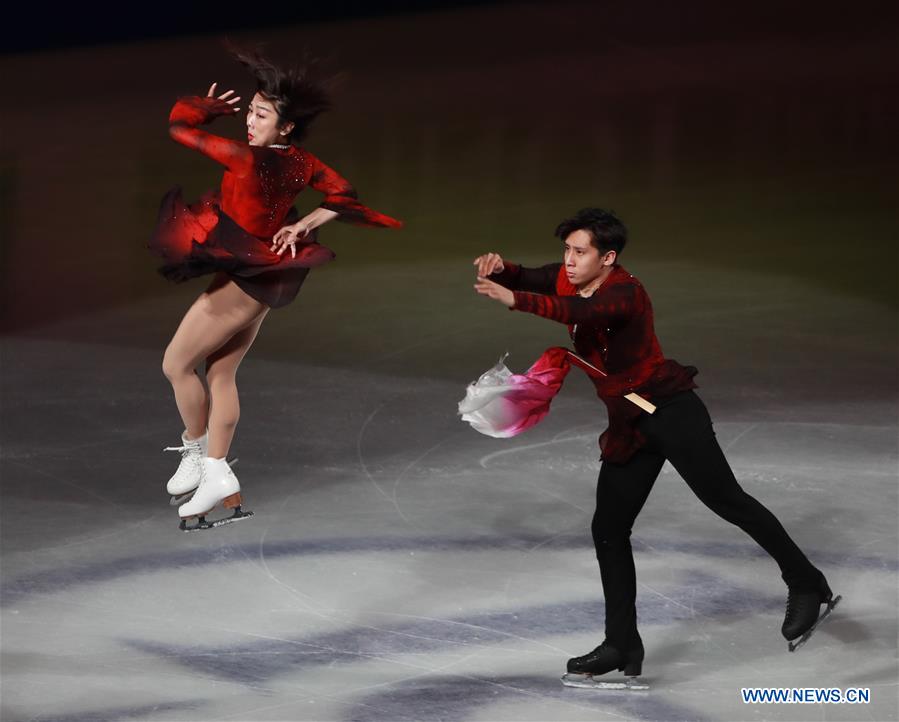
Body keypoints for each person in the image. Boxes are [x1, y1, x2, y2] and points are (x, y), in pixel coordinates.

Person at [472, 207, 835, 682]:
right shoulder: (571, 277)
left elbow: (579, 312)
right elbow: (540, 279)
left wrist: (515, 299)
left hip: (669, 412)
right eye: (566, 250)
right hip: (631, 423)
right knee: (609, 528)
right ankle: (621, 643)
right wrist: (506, 271)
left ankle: (806, 582)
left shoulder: (624, 292)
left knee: (728, 501)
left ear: (608, 257)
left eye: (579, 252)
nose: (568, 261)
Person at [149, 49, 401, 530]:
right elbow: (345, 195)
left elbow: (180, 129)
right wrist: (305, 223)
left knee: (176, 363)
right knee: (220, 374)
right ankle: (218, 471)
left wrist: (202, 109)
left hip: (246, 275)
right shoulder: (302, 161)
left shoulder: (245, 158)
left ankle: (199, 454)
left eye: (260, 115)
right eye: (248, 111)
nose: (248, 120)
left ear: (285, 127)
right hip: (266, 270)